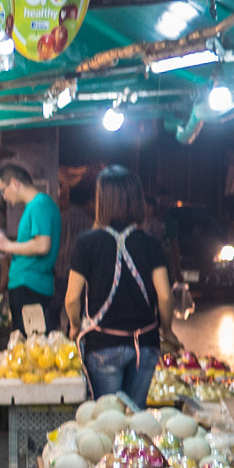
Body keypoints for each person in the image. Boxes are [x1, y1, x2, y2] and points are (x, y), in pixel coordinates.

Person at [65, 166, 174, 406]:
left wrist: (74, 327)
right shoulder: (151, 244)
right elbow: (165, 296)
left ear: (101, 200)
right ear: (137, 200)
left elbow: (72, 298)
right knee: (135, 419)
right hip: (145, 345)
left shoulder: (87, 243)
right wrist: (167, 330)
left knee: (108, 421)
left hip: (104, 345)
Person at [0, 163, 62, 328]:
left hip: (30, 287)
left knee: (31, 344)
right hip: (27, 285)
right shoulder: (35, 205)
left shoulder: (39, 204)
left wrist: (7, 246)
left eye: (3, 190)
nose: (3, 196)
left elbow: (42, 245)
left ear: (15, 184)